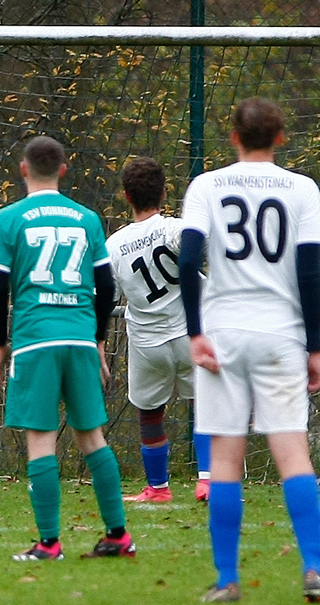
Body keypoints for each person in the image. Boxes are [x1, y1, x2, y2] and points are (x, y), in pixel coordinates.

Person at [179, 97, 320, 603]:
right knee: (293, 452)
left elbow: (186, 261)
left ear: (232, 137)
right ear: (281, 138)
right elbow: (311, 271)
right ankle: (313, 570)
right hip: (281, 332)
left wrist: (194, 331)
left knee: (225, 458)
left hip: (223, 333)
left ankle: (227, 580)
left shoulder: (206, 185)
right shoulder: (302, 189)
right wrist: (315, 346)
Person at [0, 135, 134, 561]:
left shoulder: (8, 218)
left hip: (36, 339)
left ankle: (49, 543)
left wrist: (0, 343)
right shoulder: (86, 218)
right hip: (81, 337)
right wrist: (99, 339)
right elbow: (105, 286)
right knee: (92, 437)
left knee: (41, 439)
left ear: (23, 169)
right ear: (63, 171)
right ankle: (118, 535)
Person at [106, 157, 212, 503]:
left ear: (126, 196)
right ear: (165, 193)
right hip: (190, 334)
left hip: (148, 343)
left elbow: (107, 297)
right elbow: (203, 255)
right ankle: (208, 480)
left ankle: (158, 487)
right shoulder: (177, 230)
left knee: (150, 412)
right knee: (207, 404)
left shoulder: (113, 246)